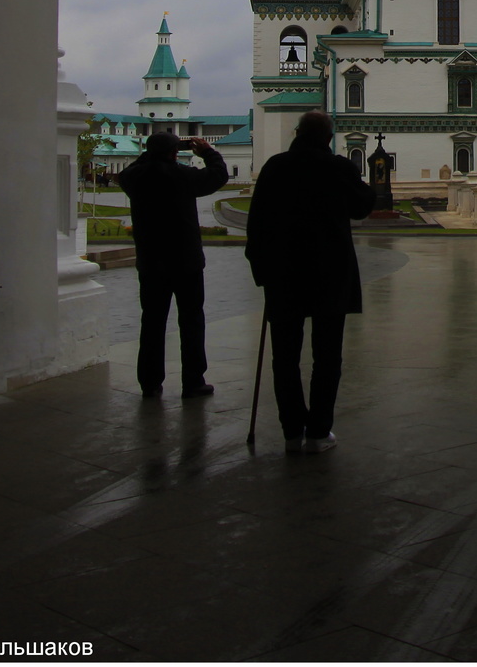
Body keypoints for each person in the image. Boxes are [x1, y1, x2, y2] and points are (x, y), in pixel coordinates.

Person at [245, 111, 375, 452]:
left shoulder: (275, 167)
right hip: (329, 275)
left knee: (284, 356)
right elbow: (362, 207)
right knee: (327, 356)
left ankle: (291, 430)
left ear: (298, 132)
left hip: (284, 275)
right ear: (328, 137)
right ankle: (318, 431)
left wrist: (261, 271)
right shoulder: (338, 167)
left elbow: (256, 224)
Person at [117, 132, 229, 399]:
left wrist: (154, 152)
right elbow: (218, 175)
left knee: (152, 321)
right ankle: (193, 381)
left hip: (151, 261)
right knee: (191, 320)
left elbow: (131, 170)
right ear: (174, 152)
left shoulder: (134, 177)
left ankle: (150, 382)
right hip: (185, 261)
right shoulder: (182, 175)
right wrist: (207, 152)